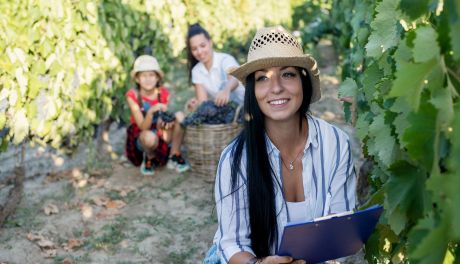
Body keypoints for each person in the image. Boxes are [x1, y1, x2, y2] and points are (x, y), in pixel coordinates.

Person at [206, 26, 357, 264]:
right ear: (253, 91)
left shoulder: (336, 144)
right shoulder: (235, 159)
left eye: (287, 74)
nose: (276, 87)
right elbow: (232, 243)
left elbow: (340, 226)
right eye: (262, 78)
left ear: (303, 82)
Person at [125, 55, 190, 175]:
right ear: (137, 79)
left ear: (157, 78)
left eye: (151, 75)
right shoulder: (133, 96)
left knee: (180, 116)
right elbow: (143, 127)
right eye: (144, 76)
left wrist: (165, 123)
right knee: (148, 137)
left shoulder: (163, 93)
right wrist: (150, 112)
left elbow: (161, 120)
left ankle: (174, 155)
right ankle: (149, 157)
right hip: (143, 134)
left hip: (157, 129)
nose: (148, 79)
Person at [186, 23, 245, 111]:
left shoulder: (225, 60)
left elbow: (235, 78)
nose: (199, 52)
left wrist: (226, 90)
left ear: (210, 43)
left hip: (245, 106)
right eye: (194, 49)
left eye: (203, 46)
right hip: (227, 113)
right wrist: (196, 106)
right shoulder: (196, 71)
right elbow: (203, 103)